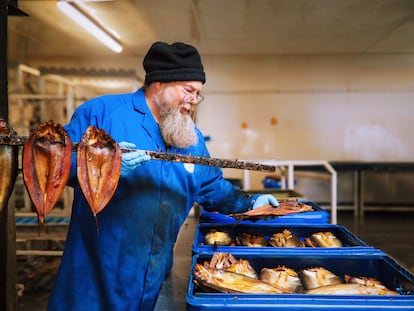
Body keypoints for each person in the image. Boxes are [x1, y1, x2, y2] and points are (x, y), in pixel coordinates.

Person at [47, 41, 279, 311]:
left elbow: (210, 186)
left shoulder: (190, 137)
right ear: (159, 83)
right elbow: (55, 162)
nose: (193, 101)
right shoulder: (103, 113)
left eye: (198, 93)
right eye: (188, 90)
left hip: (152, 272)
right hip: (95, 268)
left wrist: (250, 203)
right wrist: (100, 166)